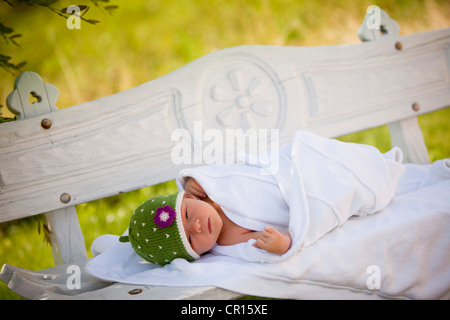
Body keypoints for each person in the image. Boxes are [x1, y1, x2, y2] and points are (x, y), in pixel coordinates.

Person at [119, 130, 405, 265]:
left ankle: (373, 164)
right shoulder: (230, 240)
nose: (196, 226)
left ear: (186, 199)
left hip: (289, 169)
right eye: (191, 240)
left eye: (185, 214)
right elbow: (261, 241)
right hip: (303, 194)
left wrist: (193, 178)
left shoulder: (207, 192)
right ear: (196, 254)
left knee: (333, 160)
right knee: (339, 188)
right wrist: (284, 244)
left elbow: (228, 171)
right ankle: (372, 174)